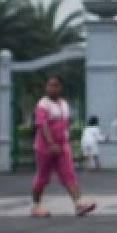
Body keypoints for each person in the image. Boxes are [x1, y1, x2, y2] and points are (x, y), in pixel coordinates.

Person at [30, 76, 97, 217]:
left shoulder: (64, 104)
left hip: (62, 147)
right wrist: (51, 143)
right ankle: (36, 206)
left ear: (60, 88)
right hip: (45, 147)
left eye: (56, 86)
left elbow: (64, 125)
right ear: (46, 87)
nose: (52, 88)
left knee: (69, 174)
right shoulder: (43, 104)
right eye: (50, 85)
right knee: (42, 177)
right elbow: (42, 125)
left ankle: (78, 203)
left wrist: (65, 141)